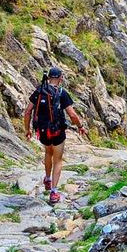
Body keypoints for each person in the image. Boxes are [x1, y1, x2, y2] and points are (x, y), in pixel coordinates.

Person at [23, 66, 84, 204]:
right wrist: (80, 127)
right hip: (57, 131)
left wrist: (27, 130)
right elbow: (72, 115)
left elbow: (28, 112)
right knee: (58, 160)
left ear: (49, 77)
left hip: (42, 131)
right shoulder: (61, 93)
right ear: (60, 78)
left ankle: (47, 179)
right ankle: (54, 192)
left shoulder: (39, 91)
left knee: (48, 152)